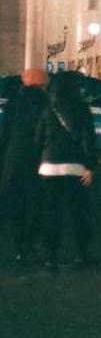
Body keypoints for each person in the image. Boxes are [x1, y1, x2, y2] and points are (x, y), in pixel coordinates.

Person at [35, 72, 98, 272]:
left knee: (51, 214)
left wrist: (41, 160)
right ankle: (81, 254)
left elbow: (37, 140)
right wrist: (90, 167)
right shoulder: (82, 109)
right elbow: (88, 141)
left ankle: (51, 257)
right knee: (79, 214)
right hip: (75, 168)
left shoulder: (48, 109)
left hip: (49, 168)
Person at [1, 69, 48, 263]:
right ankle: (32, 241)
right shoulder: (46, 103)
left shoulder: (13, 103)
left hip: (14, 161)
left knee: (17, 207)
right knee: (39, 204)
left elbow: (5, 135)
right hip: (39, 160)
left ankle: (21, 248)